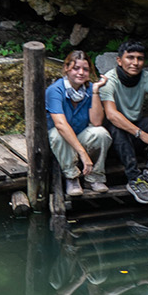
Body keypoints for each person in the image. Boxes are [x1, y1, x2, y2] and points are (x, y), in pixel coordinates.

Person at [99, 40, 148, 205]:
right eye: (130, 58)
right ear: (119, 60)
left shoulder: (145, 77)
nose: (135, 63)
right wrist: (144, 135)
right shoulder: (109, 80)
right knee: (115, 126)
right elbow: (111, 115)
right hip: (115, 143)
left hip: (135, 137)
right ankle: (134, 179)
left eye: (139, 58)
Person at [45, 49, 112, 197]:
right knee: (57, 133)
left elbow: (96, 122)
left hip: (79, 137)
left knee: (101, 133)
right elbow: (61, 125)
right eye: (76, 68)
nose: (81, 73)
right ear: (66, 69)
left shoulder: (88, 90)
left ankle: (94, 177)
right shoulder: (55, 90)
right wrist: (83, 154)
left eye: (85, 69)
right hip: (60, 142)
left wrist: (95, 90)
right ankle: (72, 177)